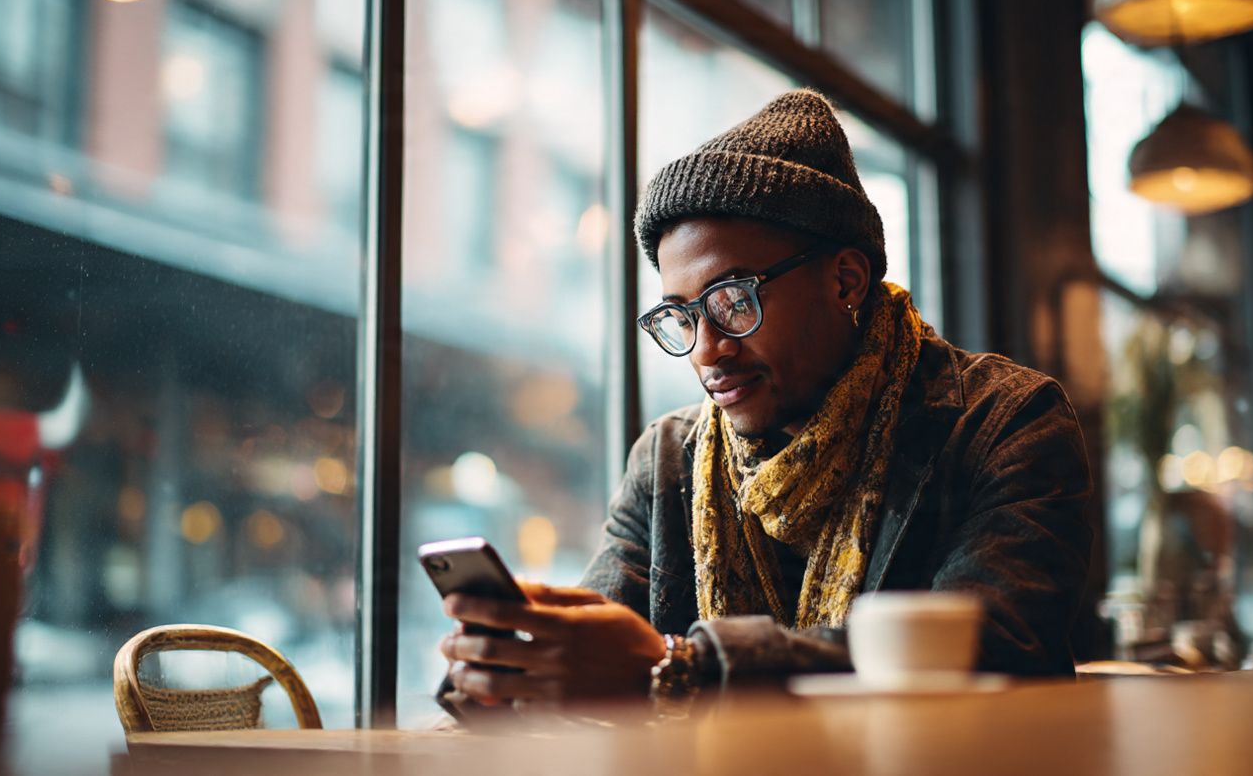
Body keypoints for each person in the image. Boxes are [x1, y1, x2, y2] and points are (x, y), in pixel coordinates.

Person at [438, 89, 1093, 710]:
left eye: (732, 301)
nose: (704, 350)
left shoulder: (1007, 423)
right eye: (682, 316)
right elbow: (596, 649)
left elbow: (991, 652)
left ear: (846, 280)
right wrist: (513, 673)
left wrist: (677, 668)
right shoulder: (669, 459)